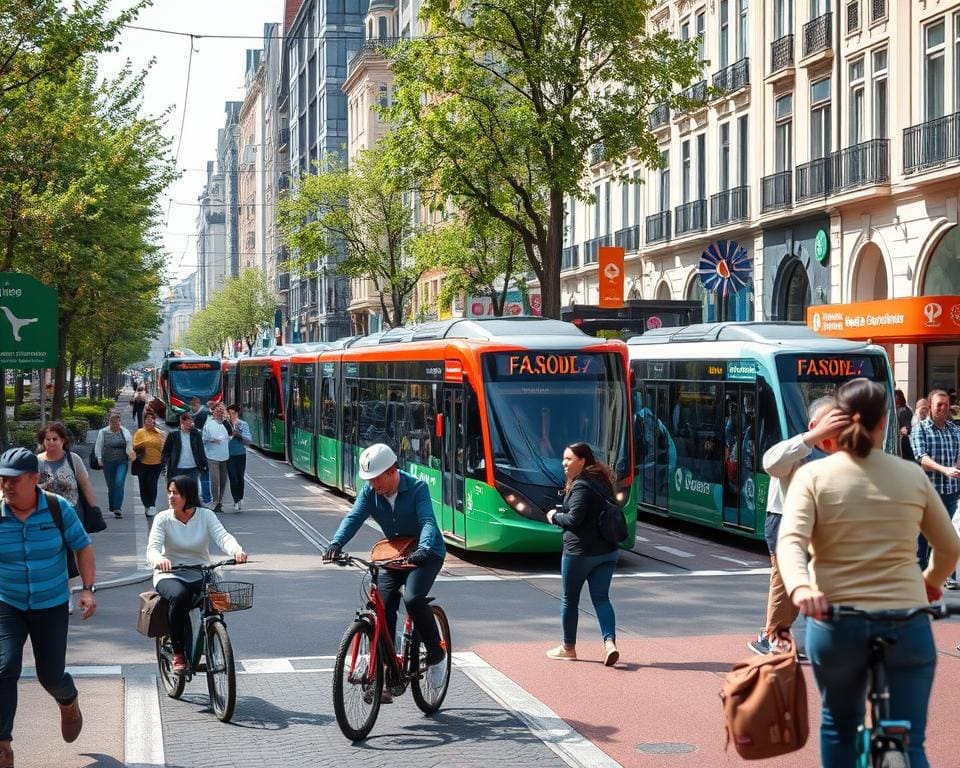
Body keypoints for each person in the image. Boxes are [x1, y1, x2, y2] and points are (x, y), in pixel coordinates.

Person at [779, 379, 960, 768]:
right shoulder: (911, 476)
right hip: (906, 620)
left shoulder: (814, 477)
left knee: (839, 725)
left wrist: (800, 590)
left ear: (840, 421)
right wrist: (928, 584)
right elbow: (948, 548)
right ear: (884, 425)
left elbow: (790, 543)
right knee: (910, 740)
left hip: (837, 620)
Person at [322, 444, 447, 692]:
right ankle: (388, 668)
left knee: (412, 598)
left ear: (392, 471)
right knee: (383, 603)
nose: (372, 484)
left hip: (426, 552)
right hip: (394, 554)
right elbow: (354, 518)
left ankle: (436, 655)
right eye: (368, 479)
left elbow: (428, 522)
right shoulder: (370, 492)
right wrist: (336, 543)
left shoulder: (417, 487)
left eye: (376, 478)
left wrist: (423, 548)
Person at [0, 448, 97, 767]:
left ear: (34, 479)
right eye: (2, 480)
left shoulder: (58, 509)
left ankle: (68, 701)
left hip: (50, 604)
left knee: (50, 675)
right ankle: (3, 746)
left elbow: (82, 547)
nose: (7, 486)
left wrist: (86, 589)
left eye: (14, 480)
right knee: (4, 668)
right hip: (8, 604)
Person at [747, 397, 848, 655]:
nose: (835, 428)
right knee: (787, 580)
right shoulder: (797, 449)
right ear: (814, 424)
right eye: (830, 422)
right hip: (786, 522)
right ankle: (774, 635)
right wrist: (812, 438)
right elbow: (771, 462)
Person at [145, 475, 247, 673]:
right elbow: (152, 549)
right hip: (170, 574)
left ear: (188, 495)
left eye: (175, 493)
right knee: (180, 596)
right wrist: (159, 560)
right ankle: (178, 653)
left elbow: (222, 536)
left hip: (200, 570)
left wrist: (236, 550)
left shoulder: (205, 516)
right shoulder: (163, 519)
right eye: (169, 492)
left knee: (216, 600)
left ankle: (213, 636)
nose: (170, 497)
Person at [544, 442, 620, 666]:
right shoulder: (603, 481)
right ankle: (610, 644)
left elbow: (574, 520)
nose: (564, 463)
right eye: (564, 459)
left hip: (580, 553)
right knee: (602, 598)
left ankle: (568, 647)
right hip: (607, 551)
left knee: (569, 599)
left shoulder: (581, 487)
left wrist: (553, 516)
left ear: (583, 461)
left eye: (569, 459)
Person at [37, 422, 101, 614]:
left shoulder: (73, 460)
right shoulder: (36, 461)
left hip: (71, 514)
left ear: (63, 440)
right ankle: (52, 592)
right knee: (52, 553)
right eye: (47, 439)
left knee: (72, 556)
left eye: (54, 439)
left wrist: (93, 508)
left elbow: (85, 483)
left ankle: (67, 595)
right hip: (44, 516)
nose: (50, 443)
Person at [909, 389, 960, 577]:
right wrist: (945, 469)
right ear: (930, 406)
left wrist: (956, 467)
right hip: (929, 492)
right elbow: (922, 458)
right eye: (939, 404)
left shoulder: (955, 429)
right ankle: (921, 578)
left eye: (946, 405)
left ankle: (949, 575)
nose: (943, 408)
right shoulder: (920, 429)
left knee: (948, 537)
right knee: (923, 537)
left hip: (952, 491)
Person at [94, 411, 135, 519]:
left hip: (122, 461)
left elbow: (129, 445)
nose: (115, 425)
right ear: (109, 422)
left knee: (119, 483)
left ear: (120, 422)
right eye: (112, 423)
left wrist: (130, 453)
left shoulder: (125, 432)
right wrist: (99, 458)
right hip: (108, 461)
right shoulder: (103, 432)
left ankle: (117, 507)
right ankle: (112, 505)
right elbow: (98, 446)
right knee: (111, 486)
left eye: (117, 423)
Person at [132, 409, 165, 517]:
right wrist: (146, 442)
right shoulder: (140, 432)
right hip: (143, 462)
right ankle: (146, 504)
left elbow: (164, 446)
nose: (150, 420)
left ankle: (152, 505)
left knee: (152, 483)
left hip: (157, 463)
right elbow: (135, 445)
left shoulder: (159, 433)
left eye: (152, 418)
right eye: (148, 418)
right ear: (144, 420)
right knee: (143, 485)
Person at [160, 412, 207, 484]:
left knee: (191, 493)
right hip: (177, 469)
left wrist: (204, 465)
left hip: (193, 469)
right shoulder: (173, 435)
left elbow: (201, 451)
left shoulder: (196, 435)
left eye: (191, 421)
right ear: (182, 421)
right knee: (179, 493)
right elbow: (166, 452)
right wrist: (165, 465)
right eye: (188, 422)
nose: (190, 424)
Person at [202, 404, 230, 514]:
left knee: (223, 480)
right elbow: (204, 439)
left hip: (224, 455)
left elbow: (231, 434)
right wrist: (212, 439)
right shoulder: (209, 424)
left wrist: (227, 421)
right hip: (212, 456)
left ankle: (220, 501)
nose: (219, 413)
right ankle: (215, 501)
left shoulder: (225, 424)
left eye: (221, 411)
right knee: (215, 480)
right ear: (213, 413)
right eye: (217, 411)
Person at [226, 404, 251, 512]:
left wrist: (238, 435)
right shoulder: (225, 424)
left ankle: (240, 497)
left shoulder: (242, 424)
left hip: (240, 454)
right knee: (233, 478)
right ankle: (235, 500)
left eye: (233, 413)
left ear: (237, 413)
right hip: (228, 455)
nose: (231, 415)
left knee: (240, 477)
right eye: (229, 413)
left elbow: (248, 439)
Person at [895, 389, 915, 461]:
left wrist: (899, 432)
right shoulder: (905, 409)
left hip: (903, 443)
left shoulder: (903, 411)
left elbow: (905, 430)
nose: (896, 405)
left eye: (897, 403)